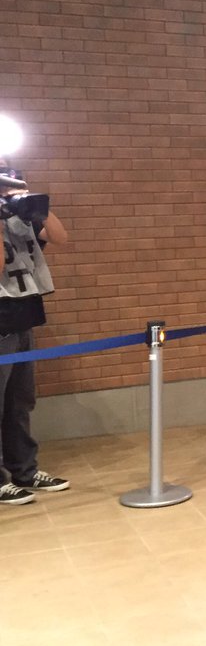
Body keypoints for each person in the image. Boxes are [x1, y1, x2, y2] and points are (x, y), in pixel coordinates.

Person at [0, 159, 70, 506]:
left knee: (20, 402)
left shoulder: (20, 216)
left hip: (24, 316)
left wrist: (36, 206)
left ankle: (24, 471)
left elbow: (60, 237)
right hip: (1, 319)